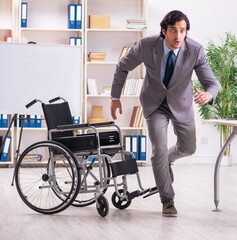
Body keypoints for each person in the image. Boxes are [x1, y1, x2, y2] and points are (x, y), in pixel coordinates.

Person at [110, 10, 219, 217]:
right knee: (158, 151)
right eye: (173, 31)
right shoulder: (146, 46)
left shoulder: (195, 50)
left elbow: (212, 84)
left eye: (182, 31)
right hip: (154, 104)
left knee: (189, 148)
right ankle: (167, 200)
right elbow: (122, 66)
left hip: (181, 104)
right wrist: (115, 97)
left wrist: (208, 95)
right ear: (163, 31)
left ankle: (167, 160)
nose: (178, 36)